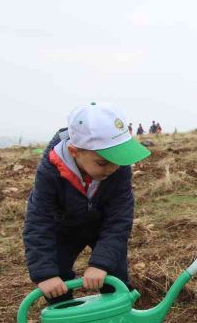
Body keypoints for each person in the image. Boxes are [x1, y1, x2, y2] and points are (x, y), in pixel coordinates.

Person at [23, 102, 151, 302]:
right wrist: (46, 274)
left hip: (103, 227)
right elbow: (39, 221)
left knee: (115, 275)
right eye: (103, 162)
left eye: (117, 159)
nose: (112, 168)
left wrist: (101, 263)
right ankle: (66, 322)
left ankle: (118, 317)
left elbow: (119, 219)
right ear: (75, 152)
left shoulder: (118, 168)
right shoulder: (50, 172)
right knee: (56, 283)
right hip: (63, 228)